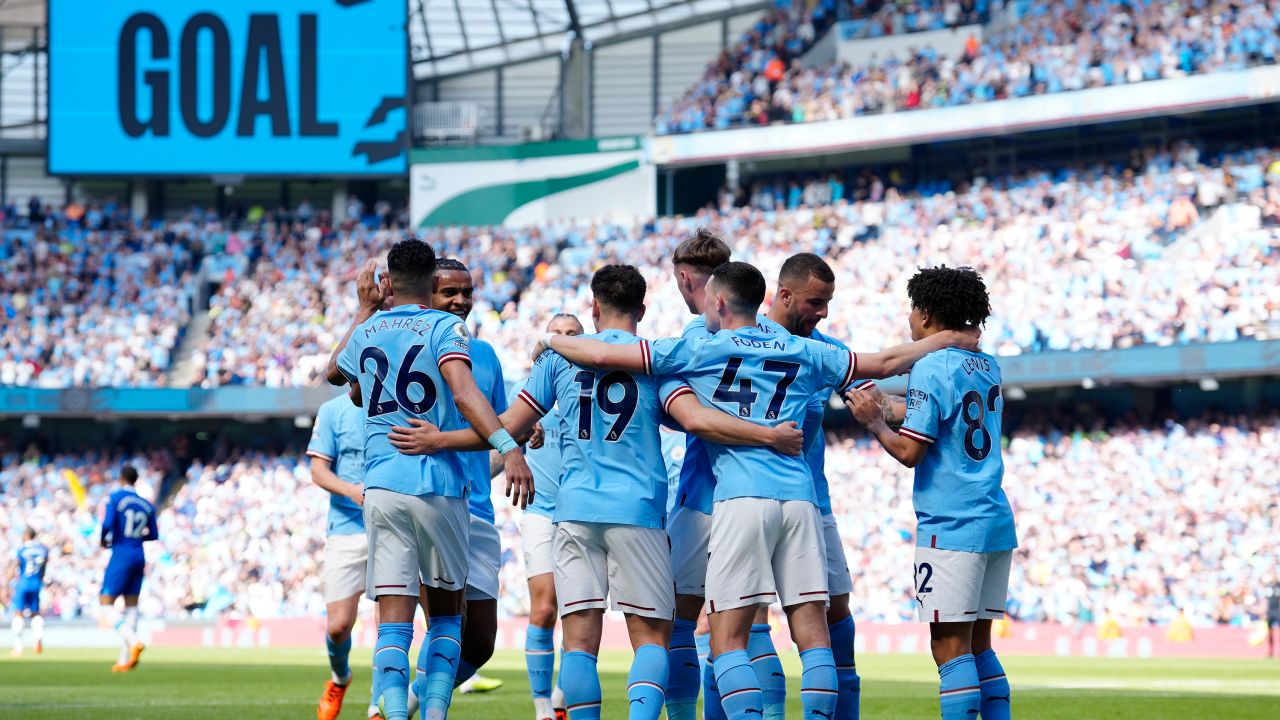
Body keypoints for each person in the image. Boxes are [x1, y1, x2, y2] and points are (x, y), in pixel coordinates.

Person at [541, 261, 976, 720]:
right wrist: (947, 339)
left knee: (728, 641)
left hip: (740, 499)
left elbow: (607, 357)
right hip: (801, 500)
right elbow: (887, 362)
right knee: (814, 641)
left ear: (721, 302)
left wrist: (551, 340)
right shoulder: (805, 350)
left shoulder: (700, 348)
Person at [390, 264, 805, 720]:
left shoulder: (558, 360)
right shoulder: (658, 361)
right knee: (651, 639)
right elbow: (696, 420)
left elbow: (505, 428)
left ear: (594, 307)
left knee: (580, 644)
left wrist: (439, 439)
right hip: (639, 512)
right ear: (641, 310)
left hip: (574, 512)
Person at [325, 242, 534, 720]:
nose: (459, 301)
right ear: (431, 284)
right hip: (436, 484)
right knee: (445, 618)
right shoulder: (445, 329)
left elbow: (338, 378)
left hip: (380, 486)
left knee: (393, 623)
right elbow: (463, 394)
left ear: (388, 282)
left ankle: (393, 712)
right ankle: (433, 713)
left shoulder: (372, 328)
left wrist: (365, 310)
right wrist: (508, 445)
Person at [844, 265, 1016, 720]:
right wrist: (894, 405)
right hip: (994, 518)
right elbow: (950, 415)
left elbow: (910, 452)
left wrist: (875, 422)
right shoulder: (987, 364)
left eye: (911, 310)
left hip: (950, 524)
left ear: (923, 314)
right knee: (980, 646)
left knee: (948, 647)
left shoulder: (930, 364)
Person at [665, 229, 782, 720]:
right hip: (764, 492)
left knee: (678, 623)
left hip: (703, 496)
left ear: (687, 278)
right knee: (750, 625)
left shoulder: (694, 339)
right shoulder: (771, 336)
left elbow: (673, 409)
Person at [758, 253, 866, 719]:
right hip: (746, 500)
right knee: (743, 623)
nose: (822, 312)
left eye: (827, 303)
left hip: (812, 502)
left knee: (836, 613)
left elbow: (872, 396)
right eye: (815, 302)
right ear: (784, 296)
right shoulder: (740, 341)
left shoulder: (826, 350)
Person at [521, 313, 584, 720]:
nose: (561, 340)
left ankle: (562, 697)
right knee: (544, 606)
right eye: (555, 333)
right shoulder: (527, 391)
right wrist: (518, 435)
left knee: (577, 610)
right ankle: (544, 709)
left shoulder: (594, 386)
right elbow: (503, 430)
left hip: (582, 510)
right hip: (541, 511)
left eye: (572, 335)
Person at [309, 385, 381, 720]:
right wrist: (349, 490)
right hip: (346, 528)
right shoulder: (333, 410)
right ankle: (340, 678)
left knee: (390, 626)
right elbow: (318, 470)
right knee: (338, 626)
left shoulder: (398, 402)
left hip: (391, 527)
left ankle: (379, 704)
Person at [99, 465, 158, 672]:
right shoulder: (146, 504)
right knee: (131, 604)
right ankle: (125, 660)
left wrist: (103, 540)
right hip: (139, 554)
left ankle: (134, 642)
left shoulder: (115, 498)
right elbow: (153, 535)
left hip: (121, 553)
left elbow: (107, 524)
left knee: (105, 603)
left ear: (121, 478)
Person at [10, 528, 49, 656]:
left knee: (18, 613)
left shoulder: (22, 549)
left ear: (27, 535)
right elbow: (43, 569)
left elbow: (15, 566)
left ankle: (18, 647)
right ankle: (38, 640)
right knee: (35, 613)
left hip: (24, 582)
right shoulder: (43, 549)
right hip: (36, 583)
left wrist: (7, 579)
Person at [1264, 573, 1280, 658]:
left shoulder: (1278, 585)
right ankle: (1271, 651)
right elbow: (1266, 599)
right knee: (1270, 633)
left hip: (1277, 610)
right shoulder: (1268, 586)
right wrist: (1265, 611)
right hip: (1270, 611)